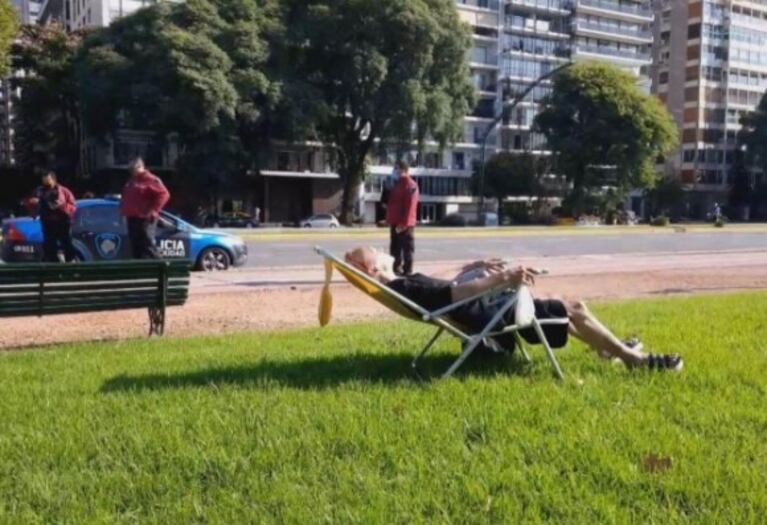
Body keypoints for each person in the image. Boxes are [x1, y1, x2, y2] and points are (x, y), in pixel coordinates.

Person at [344, 247, 684, 372]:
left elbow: (442, 289)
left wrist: (474, 265)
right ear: (372, 268)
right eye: (376, 251)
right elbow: (458, 292)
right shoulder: (403, 286)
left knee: (560, 310)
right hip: (493, 313)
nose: (384, 250)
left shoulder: (404, 285)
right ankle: (635, 361)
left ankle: (608, 349)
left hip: (485, 308)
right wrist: (505, 278)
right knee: (573, 307)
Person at [120, 158, 170, 259]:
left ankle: (161, 267)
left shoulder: (151, 179)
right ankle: (141, 270)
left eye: (133, 169)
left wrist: (153, 211)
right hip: (132, 218)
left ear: (140, 167)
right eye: (130, 169)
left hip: (145, 218)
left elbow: (164, 194)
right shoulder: (132, 181)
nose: (131, 172)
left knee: (148, 245)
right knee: (136, 247)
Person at [30, 172, 77, 263]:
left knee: (67, 243)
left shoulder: (63, 191)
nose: (46, 184)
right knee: (49, 245)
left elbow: (72, 205)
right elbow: (32, 204)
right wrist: (34, 206)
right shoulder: (40, 191)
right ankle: (53, 263)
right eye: (44, 181)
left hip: (62, 222)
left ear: (53, 180)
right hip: (47, 222)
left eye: (48, 181)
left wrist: (62, 208)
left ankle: (70, 262)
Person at [386, 160, 419, 275]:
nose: (394, 171)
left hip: (405, 224)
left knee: (407, 249)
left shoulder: (411, 185)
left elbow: (411, 205)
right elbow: (392, 204)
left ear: (403, 170)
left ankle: (407, 271)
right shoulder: (396, 185)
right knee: (395, 248)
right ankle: (395, 269)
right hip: (395, 222)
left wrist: (405, 223)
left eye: (396, 168)